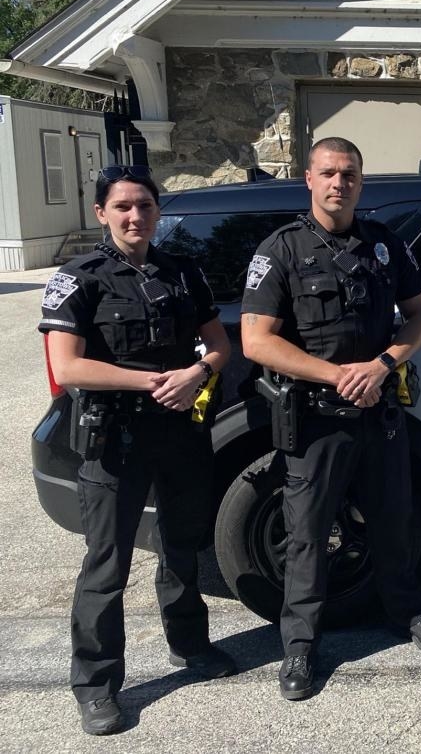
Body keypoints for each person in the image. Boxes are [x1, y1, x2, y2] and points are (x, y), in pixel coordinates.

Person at [240, 137, 421, 701]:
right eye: (329, 173)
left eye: (351, 174)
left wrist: (383, 364)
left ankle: (405, 614)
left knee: (394, 519)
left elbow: (419, 317)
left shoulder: (384, 245)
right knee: (307, 535)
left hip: (378, 410)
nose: (340, 183)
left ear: (362, 180)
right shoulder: (280, 250)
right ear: (308, 178)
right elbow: (256, 341)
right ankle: (299, 647)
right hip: (315, 418)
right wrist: (335, 375)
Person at [39, 166, 237, 735]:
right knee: (107, 565)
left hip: (180, 434)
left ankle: (190, 646)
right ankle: (97, 686)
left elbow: (219, 343)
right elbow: (68, 365)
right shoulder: (78, 278)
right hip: (115, 439)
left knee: (181, 547)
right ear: (101, 212)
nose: (135, 216)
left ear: (156, 212)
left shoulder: (180, 271)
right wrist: (153, 382)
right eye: (122, 206)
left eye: (145, 206)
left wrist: (198, 371)